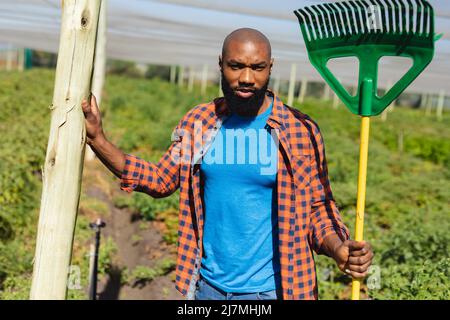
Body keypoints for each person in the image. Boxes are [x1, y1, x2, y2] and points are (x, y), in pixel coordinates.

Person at [82, 28, 374, 300]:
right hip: (207, 288)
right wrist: (98, 139)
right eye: (236, 66)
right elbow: (160, 180)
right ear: (221, 64)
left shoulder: (300, 130)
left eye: (257, 68)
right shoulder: (200, 122)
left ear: (270, 67)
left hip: (273, 291)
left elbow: (317, 209)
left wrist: (338, 248)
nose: (247, 78)